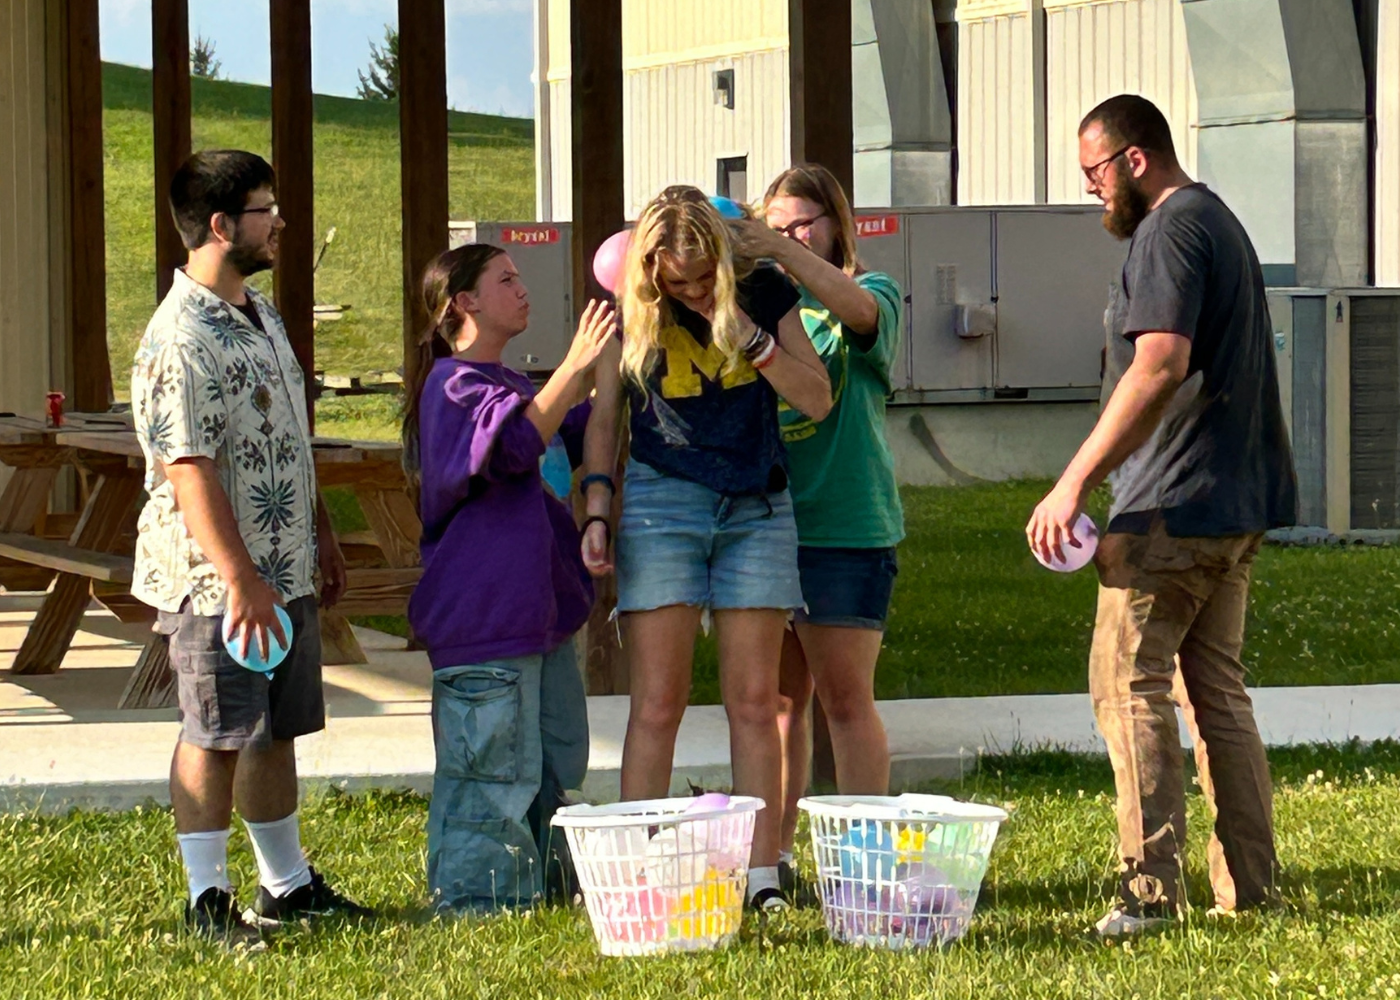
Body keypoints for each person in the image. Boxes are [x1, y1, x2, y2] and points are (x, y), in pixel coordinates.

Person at [1026, 95, 1297, 937]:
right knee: (1214, 691)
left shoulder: (1169, 230)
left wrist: (1073, 481)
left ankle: (1147, 893)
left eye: (1095, 174)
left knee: (1128, 686)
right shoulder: (1218, 221)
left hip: (1172, 508)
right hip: (1234, 501)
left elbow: (1159, 363)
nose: (1093, 191)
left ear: (1135, 160)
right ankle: (1251, 889)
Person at [131, 150, 370, 952]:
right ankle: (206, 901)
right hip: (217, 582)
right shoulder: (179, 335)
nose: (281, 222)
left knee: (273, 730)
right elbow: (187, 465)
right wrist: (239, 579)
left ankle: (285, 884)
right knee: (217, 731)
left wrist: (321, 534)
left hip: (286, 564)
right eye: (267, 209)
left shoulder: (258, 313)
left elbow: (286, 437)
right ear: (222, 226)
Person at [581, 185, 833, 911]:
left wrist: (748, 336)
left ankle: (761, 880)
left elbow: (815, 397)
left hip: (756, 503)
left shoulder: (762, 287)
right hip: (664, 501)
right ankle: (638, 872)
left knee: (754, 701)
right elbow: (606, 418)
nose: (690, 290)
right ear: (648, 264)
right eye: (676, 279)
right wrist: (599, 506)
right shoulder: (630, 302)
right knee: (657, 701)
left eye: (702, 277)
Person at [404, 243, 616, 911]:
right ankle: (477, 900)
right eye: (506, 279)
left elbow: (578, 431)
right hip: (487, 623)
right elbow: (517, 445)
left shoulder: (514, 387)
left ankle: (547, 886)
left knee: (554, 762)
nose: (522, 289)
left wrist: (613, 365)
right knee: (489, 771)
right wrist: (575, 367)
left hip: (540, 618)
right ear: (464, 303)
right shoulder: (452, 386)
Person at [742, 164, 904, 897]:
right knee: (780, 704)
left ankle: (866, 866)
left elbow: (863, 320)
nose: (790, 236)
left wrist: (787, 256)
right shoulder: (760, 307)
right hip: (769, 526)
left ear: (836, 224)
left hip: (846, 527)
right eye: (775, 223)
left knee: (846, 699)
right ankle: (775, 859)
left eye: (804, 222)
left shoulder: (868, 294)